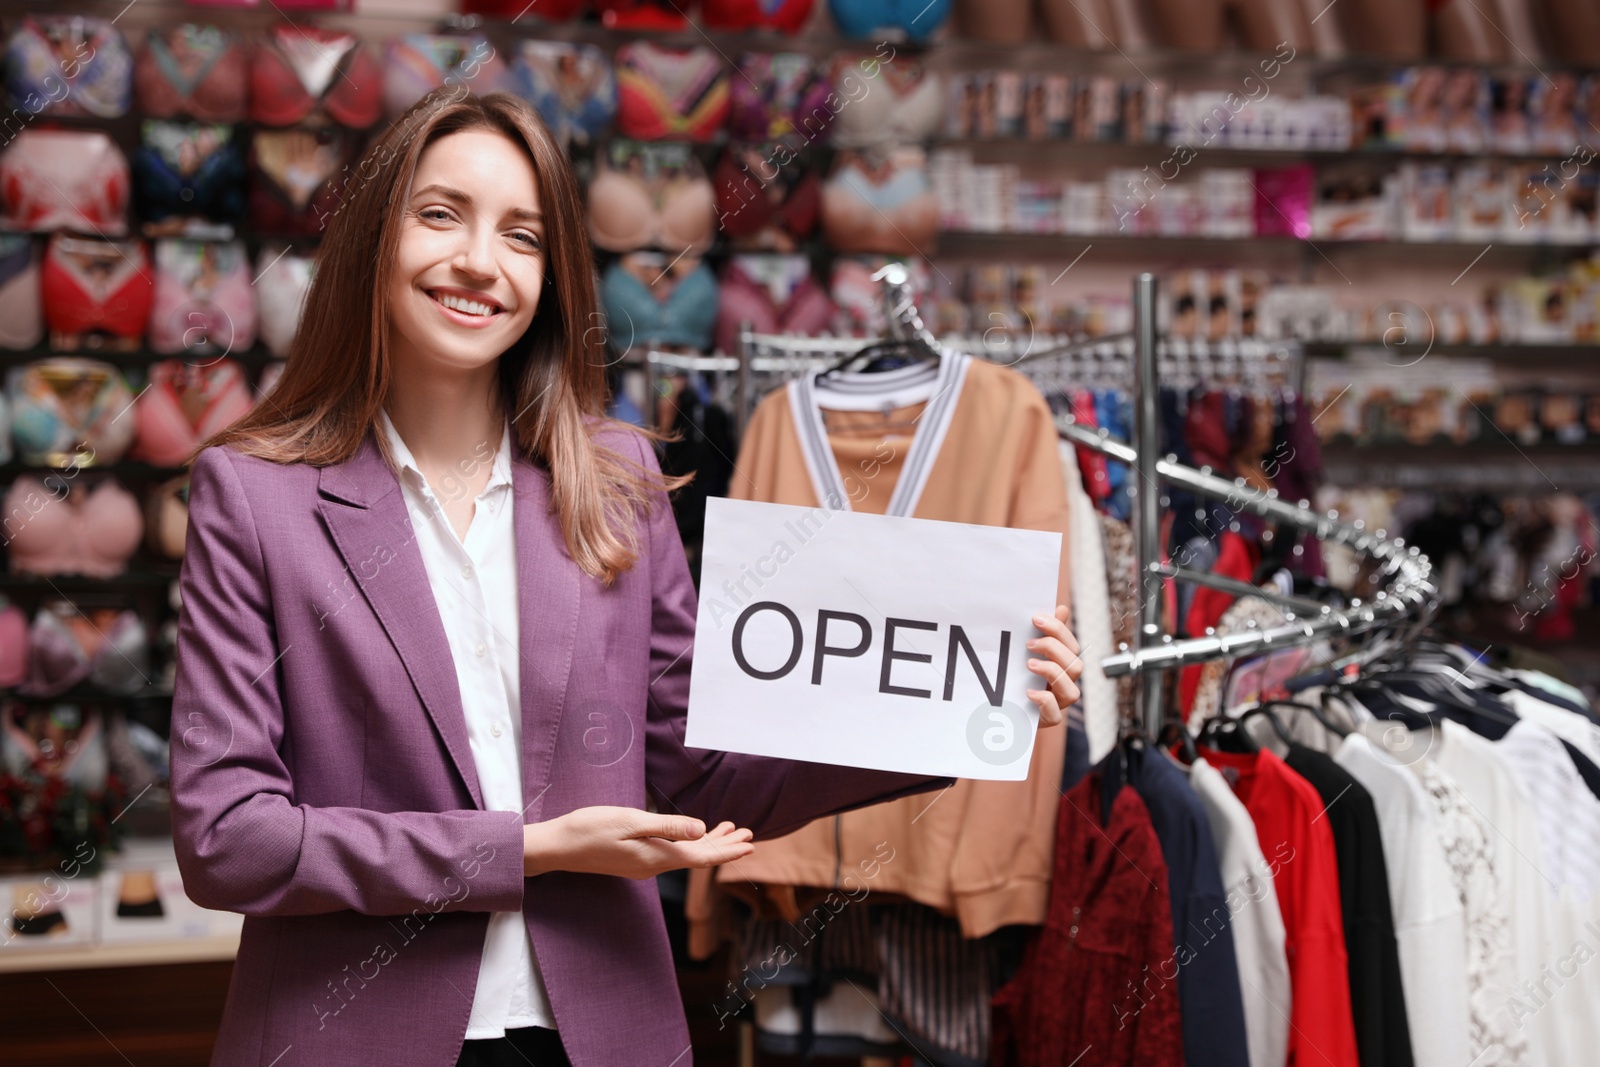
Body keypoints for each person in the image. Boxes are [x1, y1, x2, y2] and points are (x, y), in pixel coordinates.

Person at [168, 90, 1084, 1067]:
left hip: (599, 1035)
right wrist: (528, 849)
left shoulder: (614, 479)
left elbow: (707, 768)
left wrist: (965, 696)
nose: (480, 260)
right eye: (441, 215)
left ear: (552, 273)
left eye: (521, 235)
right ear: (369, 240)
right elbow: (229, 837)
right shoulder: (256, 497)